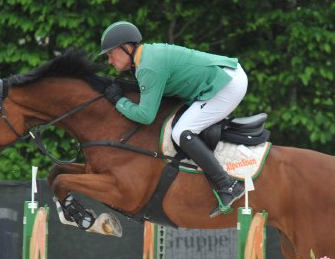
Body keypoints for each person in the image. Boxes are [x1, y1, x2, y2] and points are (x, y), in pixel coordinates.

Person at [99, 21, 247, 218]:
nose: (109, 60)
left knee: (181, 132)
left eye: (111, 53)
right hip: (224, 77)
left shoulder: (148, 67)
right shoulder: (146, 58)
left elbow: (145, 116)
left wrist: (118, 101)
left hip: (226, 85)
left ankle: (228, 185)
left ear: (127, 48)